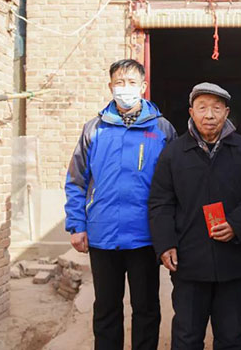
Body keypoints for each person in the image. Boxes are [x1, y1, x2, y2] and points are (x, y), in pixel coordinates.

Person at [64, 59, 176, 350]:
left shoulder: (162, 129)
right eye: (119, 82)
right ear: (110, 86)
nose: (125, 88)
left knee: (146, 308)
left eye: (132, 83)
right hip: (103, 234)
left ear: (143, 86)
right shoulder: (94, 129)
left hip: (145, 236)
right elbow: (76, 180)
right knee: (106, 308)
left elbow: (175, 185)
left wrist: (170, 234)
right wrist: (77, 225)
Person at [148, 82, 241, 350]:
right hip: (189, 262)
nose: (209, 115)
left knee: (231, 336)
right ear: (191, 112)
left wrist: (236, 224)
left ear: (226, 112)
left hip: (232, 261)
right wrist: (165, 244)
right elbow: (160, 202)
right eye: (202, 108)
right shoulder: (173, 153)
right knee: (187, 337)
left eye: (216, 108)